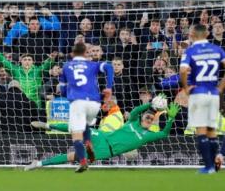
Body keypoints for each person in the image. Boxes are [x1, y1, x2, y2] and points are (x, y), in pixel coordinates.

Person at [25, 102, 181, 170]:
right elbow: (134, 111)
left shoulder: (148, 135)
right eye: (147, 117)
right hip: (102, 136)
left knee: (71, 156)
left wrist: (171, 118)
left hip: (106, 151)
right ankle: (48, 125)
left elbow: (164, 133)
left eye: (151, 118)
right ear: (142, 118)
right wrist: (150, 105)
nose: (148, 119)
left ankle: (38, 164)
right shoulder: (132, 121)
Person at [57, 42, 114, 173]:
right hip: (94, 103)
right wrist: (109, 87)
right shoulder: (92, 64)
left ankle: (82, 161)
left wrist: (69, 94)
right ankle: (88, 141)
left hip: (77, 102)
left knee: (76, 136)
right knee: (86, 124)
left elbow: (63, 90)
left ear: (72, 54)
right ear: (85, 53)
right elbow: (109, 67)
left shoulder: (66, 66)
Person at [180, 24, 225, 174]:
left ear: (192, 34)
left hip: (198, 92)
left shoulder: (190, 50)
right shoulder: (217, 49)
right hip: (214, 94)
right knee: (212, 130)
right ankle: (216, 159)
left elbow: (183, 70)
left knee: (201, 129)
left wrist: (186, 87)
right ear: (206, 34)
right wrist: (220, 87)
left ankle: (209, 167)